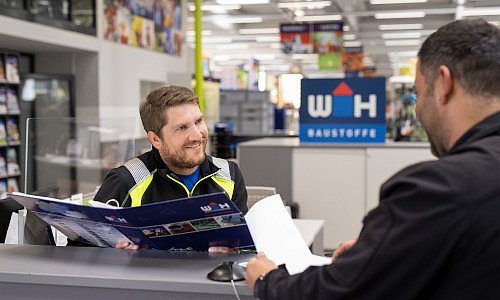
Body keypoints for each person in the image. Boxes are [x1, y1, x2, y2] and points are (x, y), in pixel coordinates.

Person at [246, 18, 500, 299]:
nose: (417, 110)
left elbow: (339, 292)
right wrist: (388, 247)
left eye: (418, 92)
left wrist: (268, 279)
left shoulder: (441, 188)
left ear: (443, 84)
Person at [93, 85, 248, 250]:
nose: (197, 135)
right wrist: (117, 254)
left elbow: (249, 246)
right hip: (151, 275)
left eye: (198, 121)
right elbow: (82, 245)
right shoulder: (127, 180)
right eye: (182, 127)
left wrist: (235, 250)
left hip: (212, 275)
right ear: (155, 139)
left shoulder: (229, 175)